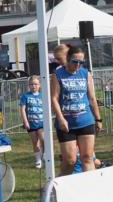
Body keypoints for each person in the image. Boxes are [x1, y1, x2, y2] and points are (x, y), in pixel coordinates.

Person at [51, 44, 101, 175]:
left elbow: (92, 98)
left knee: (87, 157)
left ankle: (90, 189)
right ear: (68, 58)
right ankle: (59, 187)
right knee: (70, 160)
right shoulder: (58, 74)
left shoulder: (86, 74)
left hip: (86, 120)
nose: (78, 65)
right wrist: (61, 118)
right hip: (67, 123)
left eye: (81, 62)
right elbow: (54, 98)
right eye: (75, 61)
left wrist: (98, 118)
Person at [19, 76, 45, 169]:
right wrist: (25, 121)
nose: (34, 86)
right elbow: (22, 109)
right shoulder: (26, 96)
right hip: (31, 123)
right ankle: (38, 159)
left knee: (43, 139)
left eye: (36, 84)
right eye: (31, 84)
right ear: (29, 85)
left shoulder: (43, 96)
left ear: (39, 85)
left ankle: (44, 154)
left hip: (42, 123)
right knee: (35, 142)